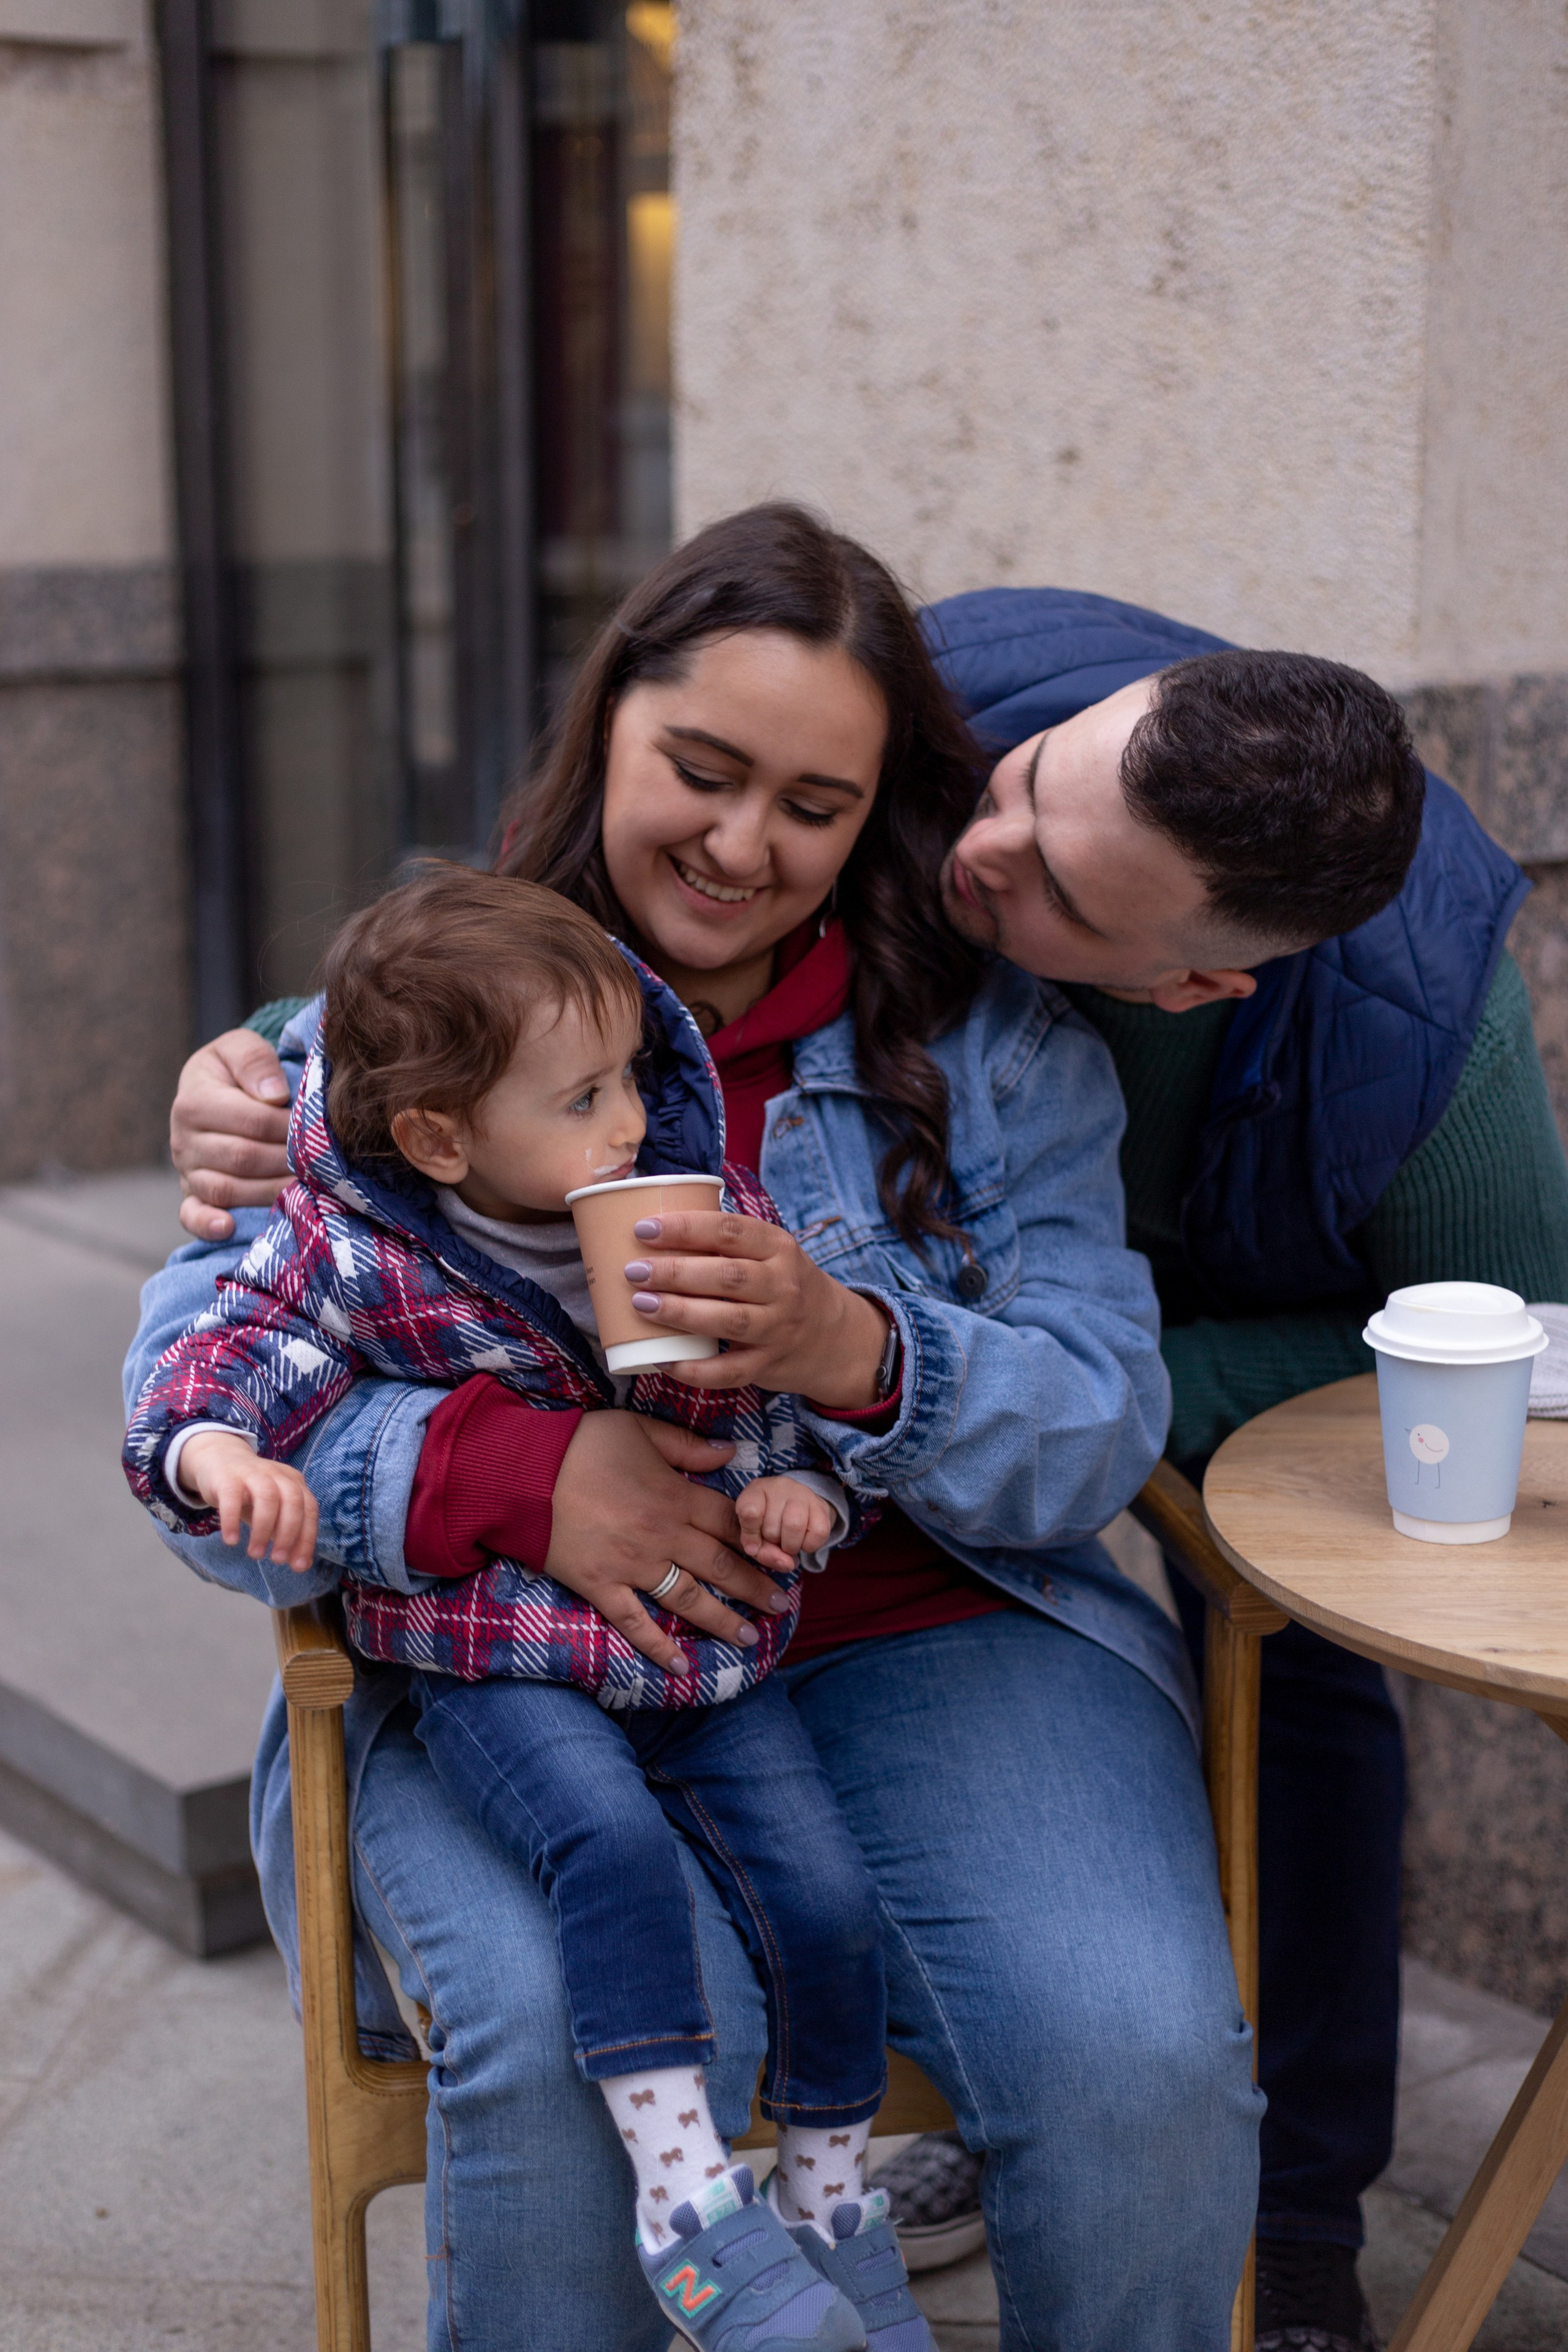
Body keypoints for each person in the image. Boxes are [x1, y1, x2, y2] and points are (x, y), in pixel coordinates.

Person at [144, 507, 1292, 2352]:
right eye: (700, 769)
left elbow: (1099, 1428)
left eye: (813, 806)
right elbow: (195, 1452)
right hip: (530, 1667)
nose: (744, 846)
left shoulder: (993, 1056)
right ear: (605, 725)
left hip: (939, 1635)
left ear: (873, 817)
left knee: (1135, 2058)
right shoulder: (400, 1029)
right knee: (561, 2051)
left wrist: (857, 1348)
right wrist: (510, 1472)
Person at [841, 589, 1568, 2352]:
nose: (978, 852)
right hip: (902, 1282)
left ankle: (1296, 2216)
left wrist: (1131, 1388)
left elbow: (1516, 1340)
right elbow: (533, 939)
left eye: (1057, 893)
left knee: (1294, 1674)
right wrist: (274, 1064)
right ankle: (978, 2091)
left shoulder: (1416, 1026)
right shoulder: (930, 703)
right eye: (1026, 784)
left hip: (1217, 1321)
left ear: (1194, 981)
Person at [127, 864, 922, 2351]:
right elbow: (220, 1359)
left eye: (630, 1077)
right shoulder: (355, 1248)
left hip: (699, 1661)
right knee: (607, 1852)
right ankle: (686, 2203)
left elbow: (778, 1411)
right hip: (497, 1667)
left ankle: (824, 2202)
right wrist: (214, 1455)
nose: (627, 1122)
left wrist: (801, 1486)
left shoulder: (690, 1205)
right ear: (441, 1135)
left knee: (824, 1896)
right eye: (581, 1099)